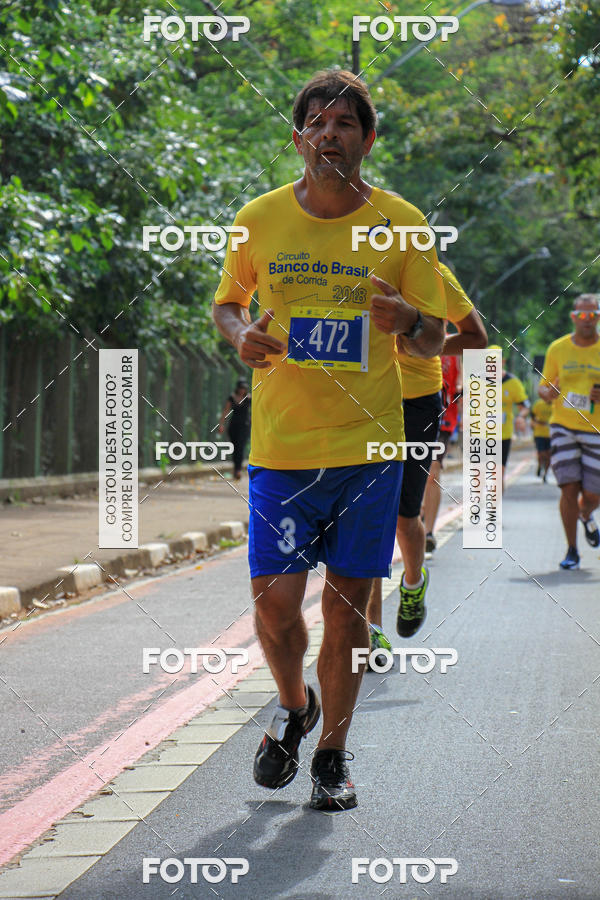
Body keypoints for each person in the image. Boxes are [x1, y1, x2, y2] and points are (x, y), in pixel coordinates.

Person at [212, 70, 446, 811]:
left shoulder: (403, 224)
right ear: (299, 136)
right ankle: (294, 703)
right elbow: (226, 304)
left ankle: (332, 758)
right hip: (282, 451)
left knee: (346, 612)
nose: (331, 133)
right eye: (317, 121)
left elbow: (436, 336)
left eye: (346, 123)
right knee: (276, 606)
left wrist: (408, 321)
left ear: (367, 140)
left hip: (368, 452)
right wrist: (240, 334)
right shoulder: (258, 218)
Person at [366, 262, 486, 662]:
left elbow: (476, 338)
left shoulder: (434, 273)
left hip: (415, 402)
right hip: (359, 401)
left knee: (403, 516)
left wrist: (425, 340)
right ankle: (371, 629)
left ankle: (413, 583)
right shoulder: (344, 263)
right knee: (364, 516)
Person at [538, 293, 600, 570]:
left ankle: (585, 514)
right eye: (581, 315)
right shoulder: (558, 349)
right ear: (573, 317)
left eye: (592, 315)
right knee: (568, 486)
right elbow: (543, 388)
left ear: (598, 317)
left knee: (593, 494)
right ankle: (572, 550)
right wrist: (548, 392)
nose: (586, 320)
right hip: (562, 425)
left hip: (596, 429)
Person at [422, 351, 461, 554]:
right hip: (411, 414)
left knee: (433, 471)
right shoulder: (407, 334)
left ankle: (428, 533)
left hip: (443, 419)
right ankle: (418, 509)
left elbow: (463, 381)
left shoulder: (453, 347)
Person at [489, 346, 529, 491]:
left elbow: (524, 406)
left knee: (498, 474)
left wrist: (521, 417)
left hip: (502, 435)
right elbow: (464, 401)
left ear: (502, 362)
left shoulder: (513, 383)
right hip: (478, 434)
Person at [218, 379, 251, 479]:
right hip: (233, 426)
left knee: (240, 447)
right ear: (237, 388)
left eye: (244, 388)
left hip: (245, 426)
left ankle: (238, 470)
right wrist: (221, 424)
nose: (242, 390)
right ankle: (236, 468)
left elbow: (256, 411)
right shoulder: (232, 397)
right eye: (241, 388)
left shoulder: (249, 398)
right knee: (235, 448)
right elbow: (225, 410)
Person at [530, 396, 552, 481]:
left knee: (549, 456)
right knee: (541, 454)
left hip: (551, 435)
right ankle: (540, 465)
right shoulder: (539, 404)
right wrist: (536, 422)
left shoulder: (556, 405)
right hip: (539, 433)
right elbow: (532, 415)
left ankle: (545, 474)